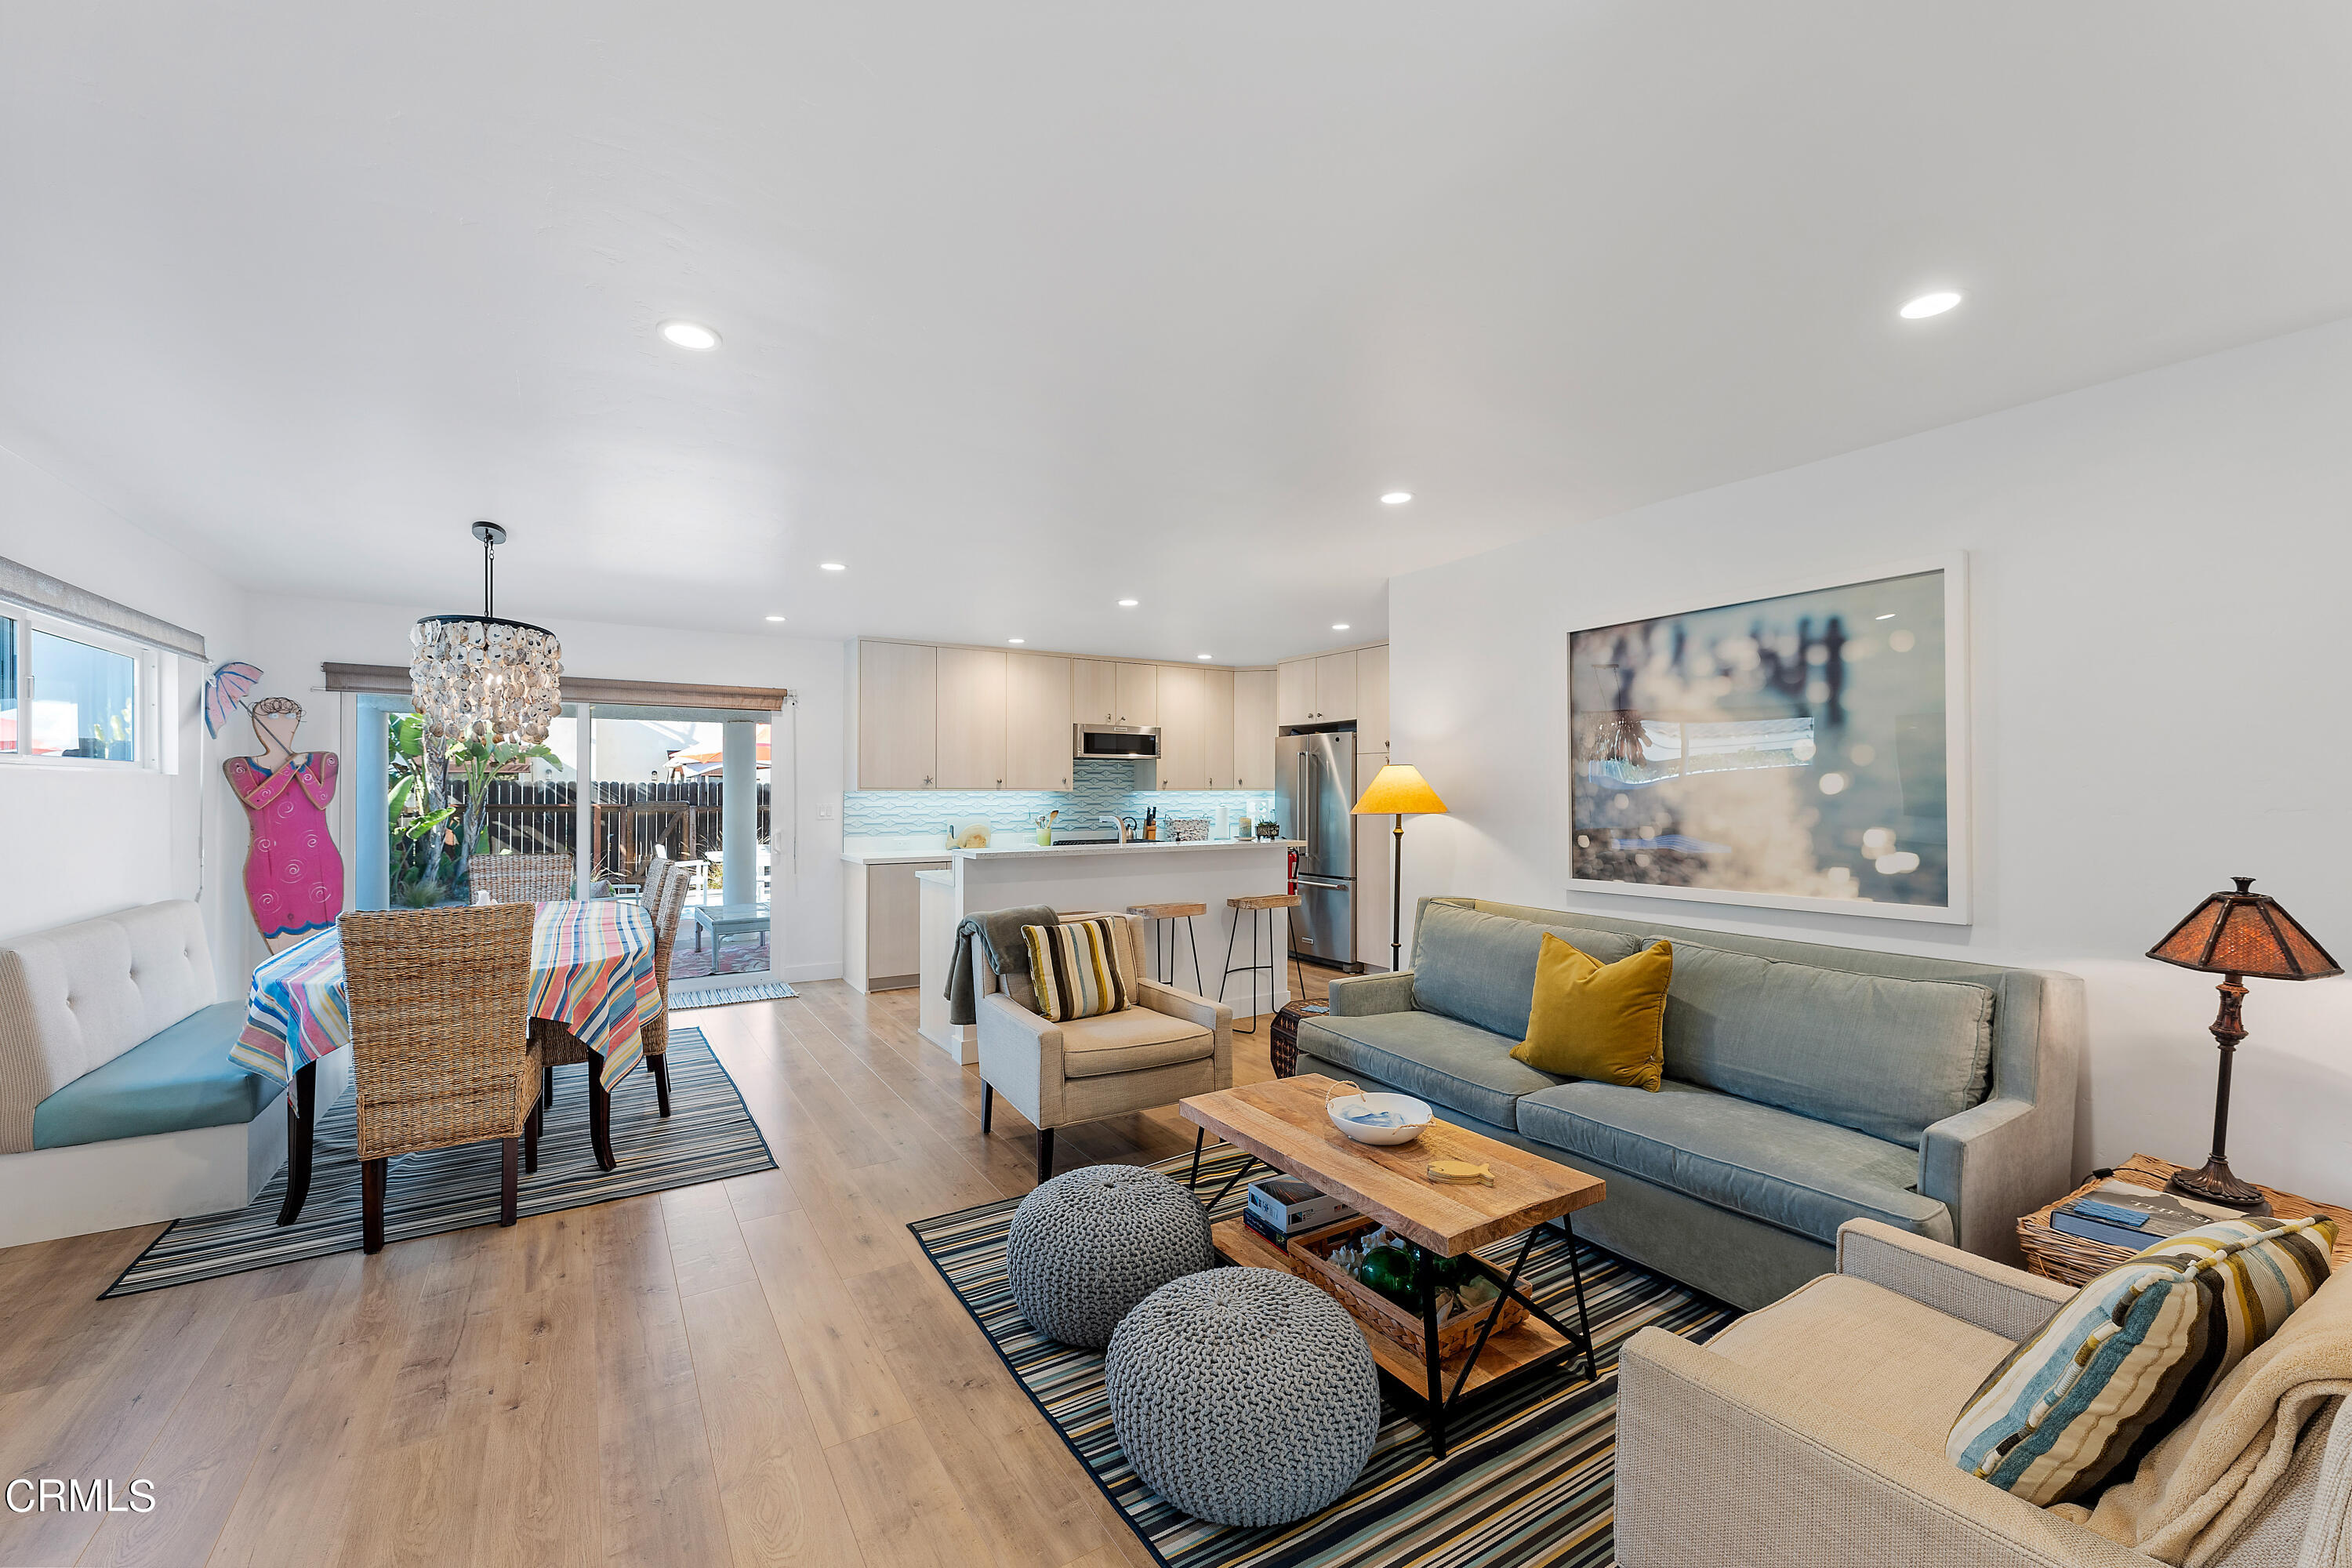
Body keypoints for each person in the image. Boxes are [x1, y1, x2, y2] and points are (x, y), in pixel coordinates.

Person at [224, 696, 345, 950]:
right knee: (282, 954)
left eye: (289, 717)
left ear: (297, 722)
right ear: (256, 723)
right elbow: (257, 799)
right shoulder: (241, 767)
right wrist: (290, 767)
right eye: (270, 717)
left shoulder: (323, 761)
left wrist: (301, 769)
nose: (280, 724)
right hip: (268, 865)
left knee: (323, 951)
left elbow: (321, 799)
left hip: (320, 863)